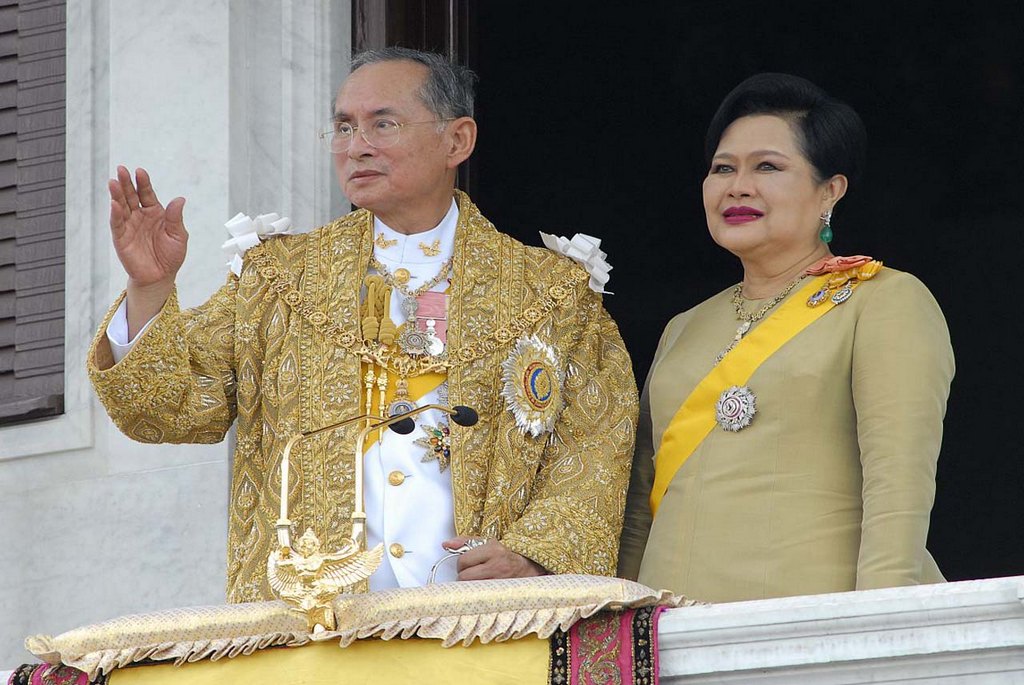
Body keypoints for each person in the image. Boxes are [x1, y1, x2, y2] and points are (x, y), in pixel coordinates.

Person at [88, 47, 638, 602]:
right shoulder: (277, 278)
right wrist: (150, 287)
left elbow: (596, 445)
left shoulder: (551, 292)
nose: (358, 147)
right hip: (312, 627)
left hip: (482, 622)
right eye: (344, 127)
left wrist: (534, 557)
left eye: (384, 124)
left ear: (458, 141)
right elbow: (164, 410)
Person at [617, 73, 954, 602]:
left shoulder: (883, 300)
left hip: (807, 624)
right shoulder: (683, 327)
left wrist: (883, 625)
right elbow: (639, 508)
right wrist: (619, 622)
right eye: (722, 169)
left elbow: (898, 490)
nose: (738, 186)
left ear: (830, 190)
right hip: (668, 631)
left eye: (768, 167)